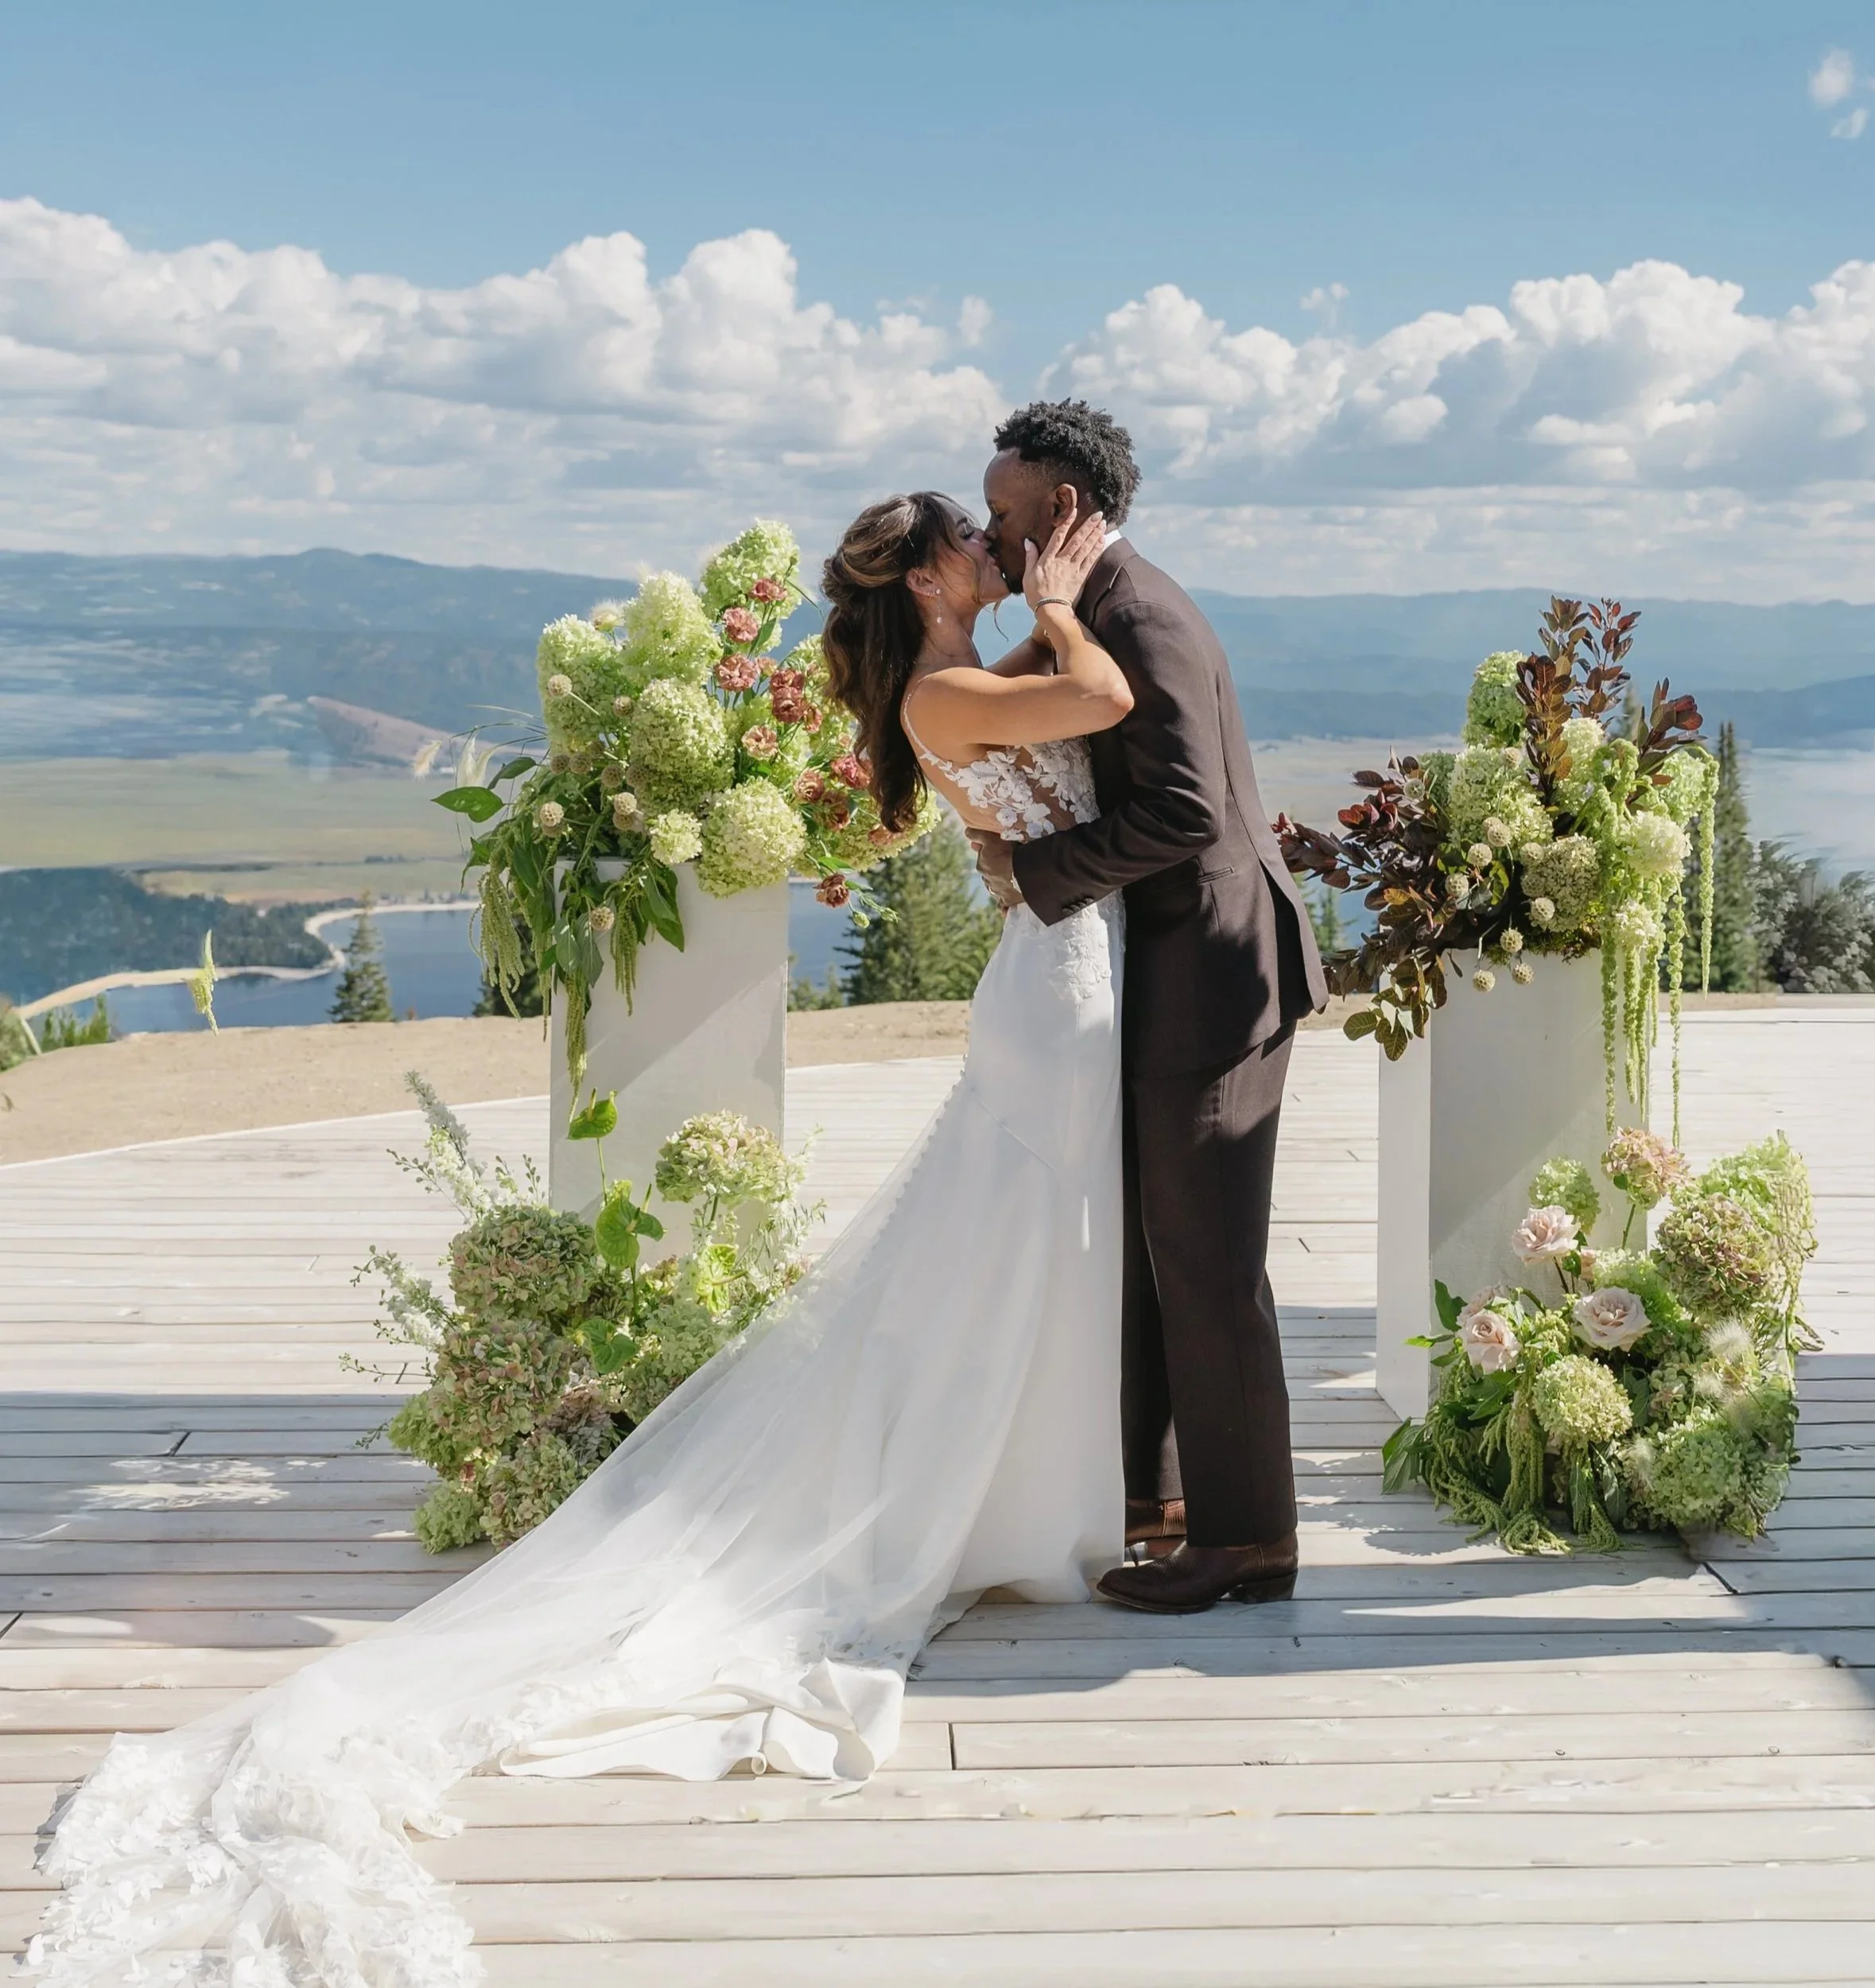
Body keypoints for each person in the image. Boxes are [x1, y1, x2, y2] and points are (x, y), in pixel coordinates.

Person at [27, 495, 1135, 1987]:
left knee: (1018, 1244)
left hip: (1064, 967)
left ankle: (1034, 1486)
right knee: (1015, 1237)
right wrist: (1066, 598)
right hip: (1055, 991)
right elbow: (1107, 701)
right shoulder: (953, 682)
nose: (1008, 556)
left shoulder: (958, 664)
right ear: (937, 574)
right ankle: (1005, 1501)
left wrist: (1039, 609)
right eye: (985, 545)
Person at [972, 399, 1327, 1613]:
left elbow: (1184, 814)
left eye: (1004, 513)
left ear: (1063, 509)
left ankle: (1252, 1542)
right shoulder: (1106, 609)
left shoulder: (1141, 615)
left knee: (1209, 1265)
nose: (991, 533)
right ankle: (1164, 1502)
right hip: (1174, 970)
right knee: (1157, 1250)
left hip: (1216, 978)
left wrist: (1034, 875)